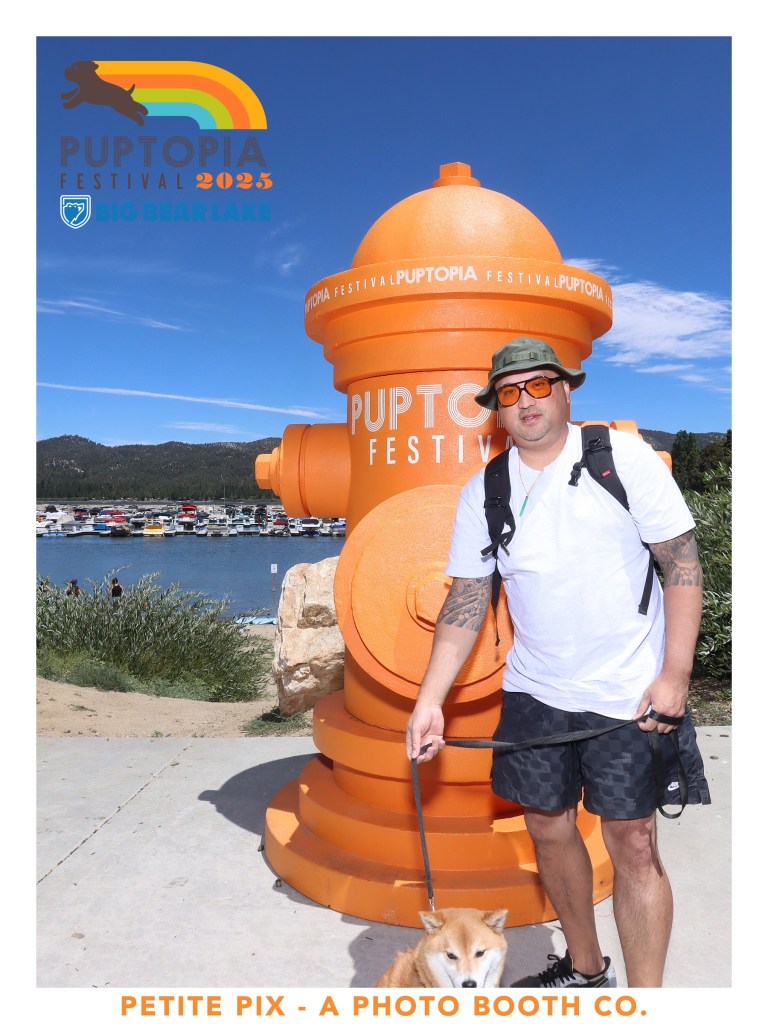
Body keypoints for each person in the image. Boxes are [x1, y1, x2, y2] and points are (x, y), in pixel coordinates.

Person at [406, 336, 711, 989]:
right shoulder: (485, 490)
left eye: (539, 385)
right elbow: (466, 600)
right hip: (536, 691)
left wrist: (675, 675)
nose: (526, 402)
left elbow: (682, 563)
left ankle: (646, 1001)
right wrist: (430, 700)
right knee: (546, 826)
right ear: (497, 409)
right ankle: (585, 968)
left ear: (566, 390)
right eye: (510, 393)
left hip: (630, 691)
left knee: (633, 842)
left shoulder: (619, 458)